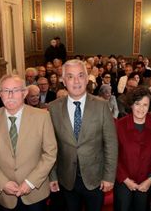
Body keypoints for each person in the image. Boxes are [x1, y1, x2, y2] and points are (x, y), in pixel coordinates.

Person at [0, 74, 57, 210]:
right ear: (0, 94)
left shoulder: (42, 117)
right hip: (5, 196)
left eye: (15, 90)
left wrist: (31, 182)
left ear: (24, 93)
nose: (10, 95)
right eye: (6, 91)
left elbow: (50, 153)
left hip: (35, 193)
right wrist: (3, 183)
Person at [48, 59, 118, 211]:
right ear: (64, 81)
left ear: (87, 79)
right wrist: (52, 176)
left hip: (95, 179)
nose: (76, 81)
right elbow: (50, 146)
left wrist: (109, 176)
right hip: (66, 179)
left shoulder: (102, 106)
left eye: (80, 75)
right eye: (71, 76)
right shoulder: (53, 108)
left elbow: (111, 144)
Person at [114, 86, 151, 211]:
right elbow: (113, 155)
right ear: (131, 105)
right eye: (137, 104)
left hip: (147, 182)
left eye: (145, 105)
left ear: (150, 107)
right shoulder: (119, 125)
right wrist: (125, 179)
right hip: (123, 182)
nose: (141, 108)